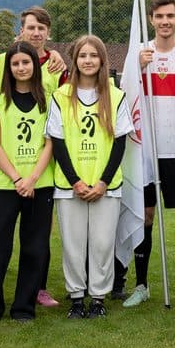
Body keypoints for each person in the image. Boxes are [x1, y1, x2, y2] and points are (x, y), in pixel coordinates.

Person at [119, 0, 175, 308]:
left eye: (171, 16)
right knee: (144, 216)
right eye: (159, 16)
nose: (165, 21)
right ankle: (141, 285)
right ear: (152, 19)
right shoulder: (139, 55)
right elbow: (125, 95)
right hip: (145, 151)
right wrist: (136, 68)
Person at [48, 35, 132, 320]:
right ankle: (75, 297)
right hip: (70, 185)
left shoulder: (115, 95)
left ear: (101, 60)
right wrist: (76, 182)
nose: (87, 60)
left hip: (105, 185)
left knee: (102, 243)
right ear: (75, 60)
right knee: (72, 244)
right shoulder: (60, 96)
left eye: (93, 56)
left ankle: (97, 298)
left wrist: (102, 183)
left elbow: (120, 142)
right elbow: (57, 143)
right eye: (82, 55)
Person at [0, 42, 54, 322]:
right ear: (8, 68)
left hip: (40, 183)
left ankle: (24, 307)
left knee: (35, 247)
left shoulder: (49, 99)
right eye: (15, 63)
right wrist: (17, 178)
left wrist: (32, 178)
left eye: (26, 62)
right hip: (6, 184)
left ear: (35, 65)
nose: (21, 68)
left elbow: (50, 143)